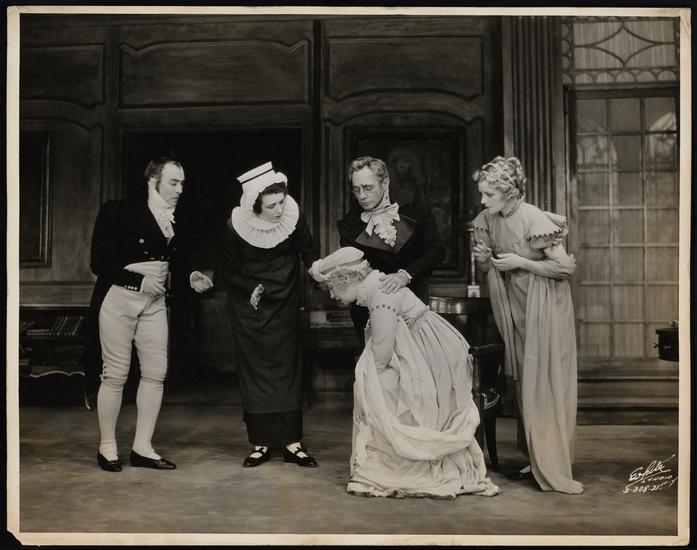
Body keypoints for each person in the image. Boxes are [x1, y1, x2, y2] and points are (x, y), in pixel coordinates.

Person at [309, 247, 500, 499]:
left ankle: (399, 458)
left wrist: (367, 383)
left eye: (333, 287)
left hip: (435, 356)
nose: (333, 295)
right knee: (378, 383)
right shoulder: (377, 288)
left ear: (347, 280)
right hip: (424, 349)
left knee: (380, 389)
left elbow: (382, 353)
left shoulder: (380, 295)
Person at [86, 157, 213, 472]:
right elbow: (99, 263)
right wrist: (139, 281)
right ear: (153, 181)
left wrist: (191, 276)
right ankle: (107, 447)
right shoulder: (117, 211)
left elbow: (178, 260)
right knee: (115, 374)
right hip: (119, 299)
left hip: (154, 303)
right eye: (173, 182)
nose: (180, 189)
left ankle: (142, 448)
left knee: (156, 372)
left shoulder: (175, 216)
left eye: (182, 183)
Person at [471, 155, 583, 495]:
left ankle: (553, 463)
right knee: (526, 382)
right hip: (515, 307)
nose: (482, 200)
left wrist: (522, 262)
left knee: (546, 381)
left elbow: (565, 269)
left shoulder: (533, 217)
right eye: (482, 193)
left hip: (545, 306)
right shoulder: (488, 219)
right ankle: (537, 457)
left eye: (489, 194)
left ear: (508, 192)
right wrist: (484, 262)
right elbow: (488, 269)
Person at [223, 161, 320, 468]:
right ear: (255, 207)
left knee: (288, 371)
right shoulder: (235, 227)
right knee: (256, 375)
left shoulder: (292, 214)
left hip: (285, 301)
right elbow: (229, 270)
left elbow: (308, 251)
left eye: (281, 201)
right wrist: (249, 288)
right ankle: (261, 443)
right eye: (271, 206)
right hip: (250, 307)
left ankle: (293, 444)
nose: (279, 209)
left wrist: (318, 271)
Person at [337, 156, 445, 347]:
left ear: (385, 183)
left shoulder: (417, 211)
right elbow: (355, 273)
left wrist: (405, 274)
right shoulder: (349, 225)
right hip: (371, 313)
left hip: (414, 307)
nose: (362, 196)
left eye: (367, 188)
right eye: (356, 189)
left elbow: (436, 251)